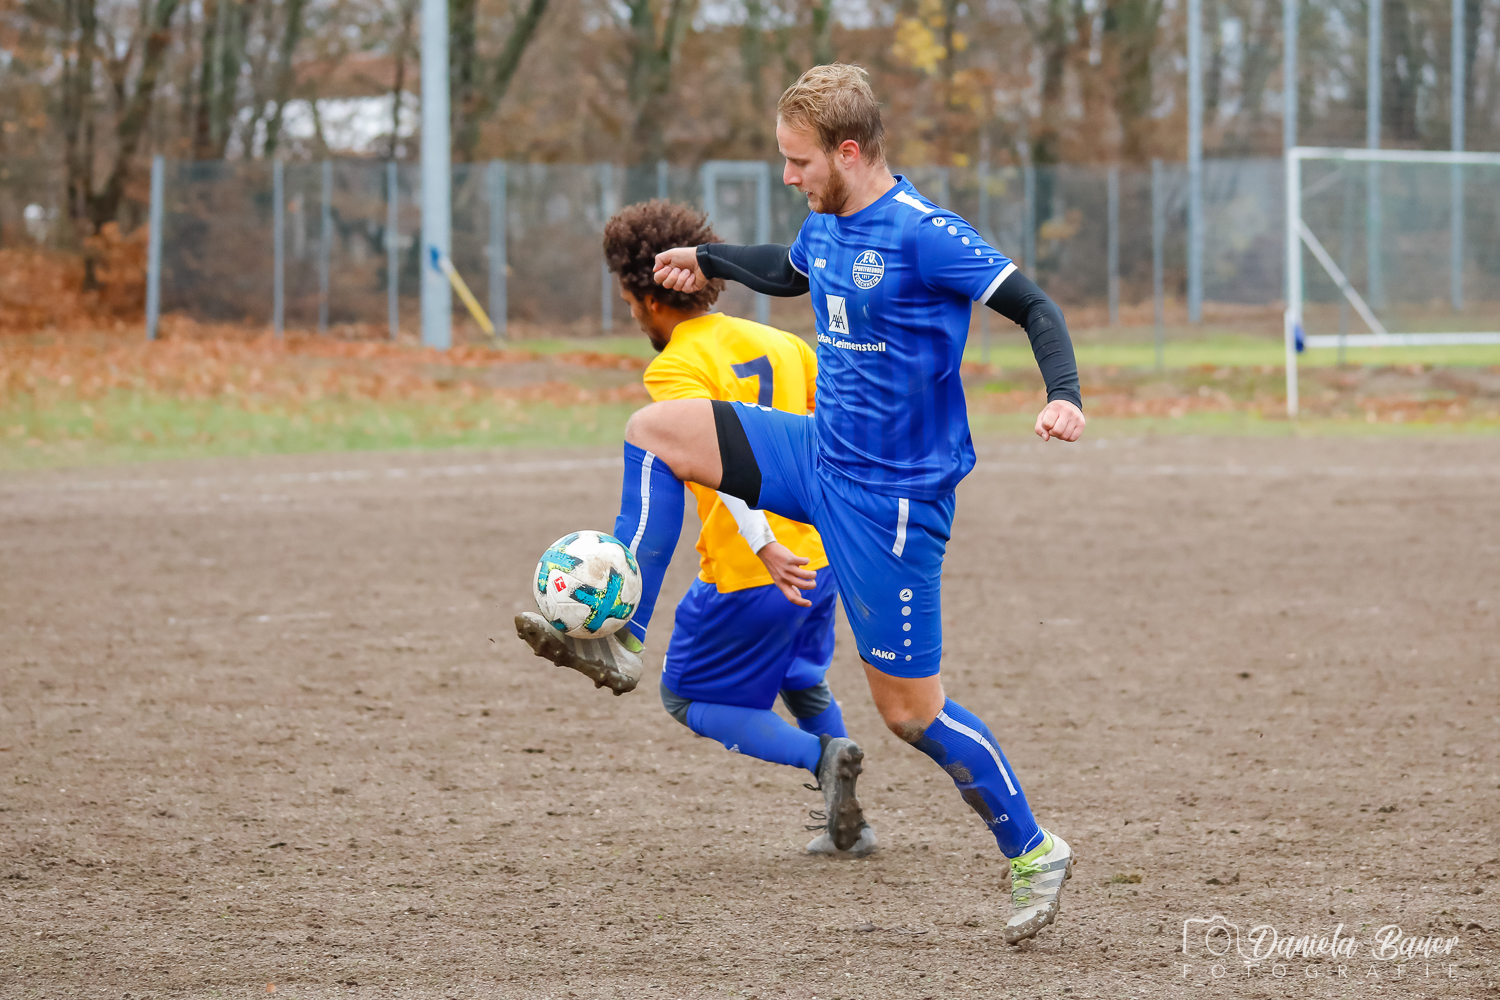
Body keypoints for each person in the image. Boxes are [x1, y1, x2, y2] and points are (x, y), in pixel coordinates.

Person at [638, 65, 1085, 944]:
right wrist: (708, 259)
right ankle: (619, 622)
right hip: (816, 454)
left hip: (893, 502)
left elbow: (1034, 306)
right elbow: (789, 272)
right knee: (657, 429)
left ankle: (1033, 848)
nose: (789, 176)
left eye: (798, 161)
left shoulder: (925, 235)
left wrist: (1061, 392)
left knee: (911, 714)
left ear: (849, 151)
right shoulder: (827, 223)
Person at [515, 199, 875, 856]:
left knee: (685, 697)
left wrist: (761, 543)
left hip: (749, 569)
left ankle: (823, 757)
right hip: (821, 561)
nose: (630, 314)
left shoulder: (675, 365)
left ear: (646, 297)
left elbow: (719, 463)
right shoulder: (786, 345)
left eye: (627, 301)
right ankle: (852, 823)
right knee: (799, 674)